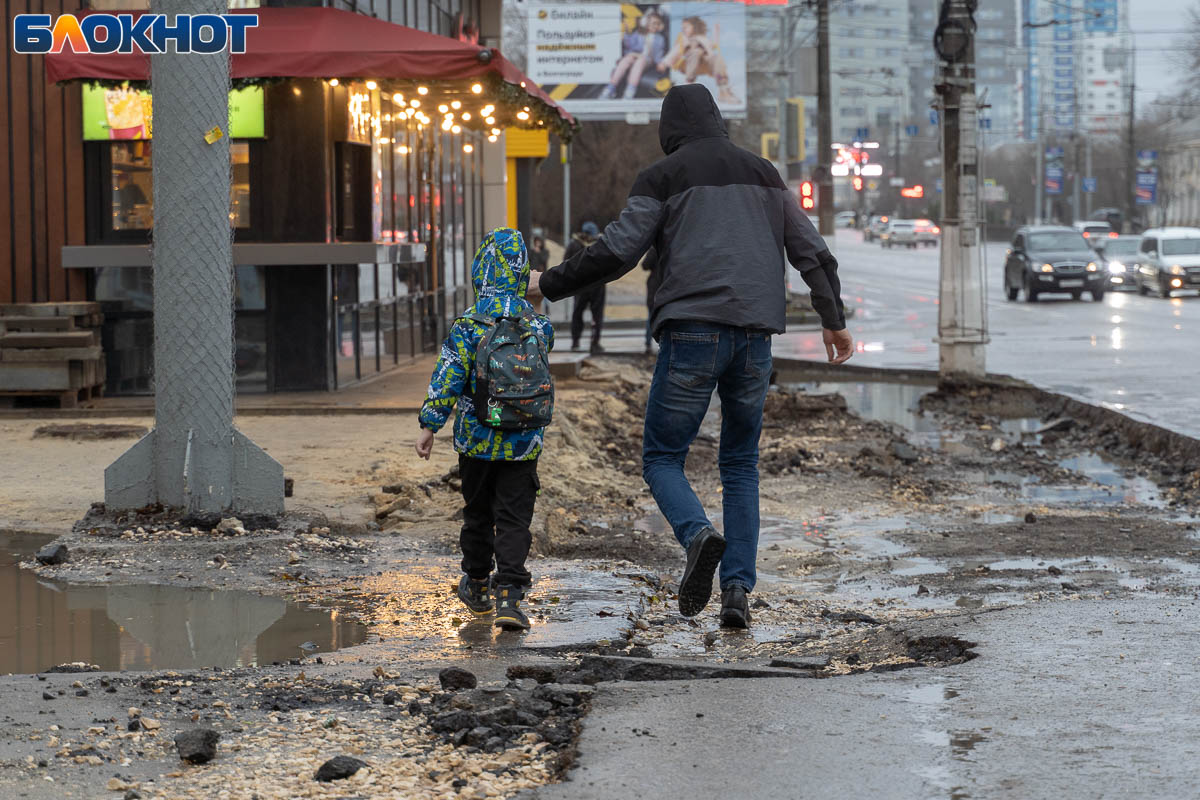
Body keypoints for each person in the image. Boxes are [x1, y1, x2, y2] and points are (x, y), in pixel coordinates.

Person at [526, 84, 852, 629]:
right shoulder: (764, 173)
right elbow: (811, 250)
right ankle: (737, 594)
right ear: (718, 120)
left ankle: (698, 534)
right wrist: (832, 318)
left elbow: (618, 250)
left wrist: (550, 284)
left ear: (668, 128)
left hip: (692, 336)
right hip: (754, 340)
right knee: (741, 464)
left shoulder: (662, 176)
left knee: (661, 458)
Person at [415, 227, 555, 632]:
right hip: (524, 441)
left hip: (476, 442)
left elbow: (447, 379)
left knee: (477, 515)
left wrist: (429, 425)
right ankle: (510, 597)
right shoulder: (538, 326)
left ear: (480, 271)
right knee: (514, 518)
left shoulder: (468, 325)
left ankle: (476, 585)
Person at [657, 17, 740, 106]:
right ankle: (689, 87)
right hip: (688, 66)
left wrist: (716, 32)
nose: (683, 30)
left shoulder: (703, 38)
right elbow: (675, 51)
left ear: (694, 27)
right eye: (682, 28)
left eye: (686, 27)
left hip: (702, 65)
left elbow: (712, 46)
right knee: (696, 52)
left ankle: (723, 91)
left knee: (717, 57)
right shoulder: (684, 40)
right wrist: (664, 63)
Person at [602, 10, 670, 100]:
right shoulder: (639, 33)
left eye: (658, 23)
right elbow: (629, 45)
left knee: (640, 60)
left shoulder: (660, 39)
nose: (655, 25)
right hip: (636, 56)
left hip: (648, 59)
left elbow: (658, 56)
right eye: (653, 23)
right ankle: (610, 88)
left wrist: (661, 63)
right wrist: (627, 33)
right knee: (627, 59)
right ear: (646, 23)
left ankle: (630, 91)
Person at [566, 221, 606, 354]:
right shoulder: (600, 244)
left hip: (581, 284)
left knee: (578, 312)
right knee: (596, 315)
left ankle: (575, 341)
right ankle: (594, 343)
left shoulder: (574, 245)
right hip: (597, 284)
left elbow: (566, 263)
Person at [642, 246, 661, 355]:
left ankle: (648, 344)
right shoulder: (673, 245)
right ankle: (663, 344)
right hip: (667, 285)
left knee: (651, 317)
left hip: (655, 287)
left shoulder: (655, 249)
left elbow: (645, 265)